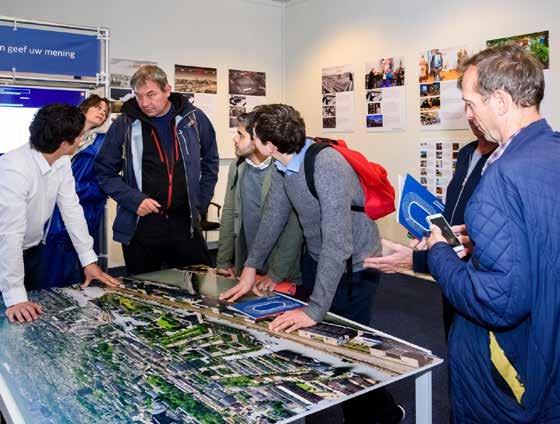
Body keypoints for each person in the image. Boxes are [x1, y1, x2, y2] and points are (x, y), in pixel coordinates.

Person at [220, 104, 404, 423]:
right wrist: (251, 268)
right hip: (317, 258)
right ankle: (377, 412)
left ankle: (381, 415)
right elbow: (274, 217)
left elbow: (339, 243)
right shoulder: (283, 164)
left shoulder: (326, 164)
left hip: (355, 266)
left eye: (251, 135)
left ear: (268, 144)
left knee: (346, 350)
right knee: (325, 349)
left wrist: (314, 310)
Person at [426, 44, 560, 422]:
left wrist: (438, 253)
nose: (468, 114)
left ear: (500, 100)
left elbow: (497, 301)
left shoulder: (500, 179)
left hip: (506, 373)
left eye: (470, 103)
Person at [364, 119, 497, 339]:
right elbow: (454, 206)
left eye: (474, 105)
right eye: (466, 106)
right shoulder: (466, 153)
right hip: (450, 264)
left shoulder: (502, 161)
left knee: (473, 342)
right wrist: (430, 237)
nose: (470, 116)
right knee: (452, 334)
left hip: (476, 271)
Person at [0, 104, 119, 324]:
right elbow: (10, 235)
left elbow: (71, 209)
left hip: (31, 250)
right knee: (10, 317)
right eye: (80, 136)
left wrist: (88, 261)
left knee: (33, 316)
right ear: (65, 143)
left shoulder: (60, 160)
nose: (82, 139)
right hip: (5, 253)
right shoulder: (14, 169)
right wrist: (15, 297)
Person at [95, 65, 219, 275]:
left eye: (151, 95)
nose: (144, 103)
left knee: (195, 289)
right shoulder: (125, 123)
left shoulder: (194, 119)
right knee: (144, 293)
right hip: (141, 225)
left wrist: (200, 203)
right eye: (139, 96)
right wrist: (134, 200)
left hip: (185, 224)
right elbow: (104, 172)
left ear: (167, 90)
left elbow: (210, 161)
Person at [216, 112, 302, 288]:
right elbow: (229, 212)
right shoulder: (237, 165)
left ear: (257, 139)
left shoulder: (283, 169)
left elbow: (294, 228)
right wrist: (223, 261)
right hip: (247, 264)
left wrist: (276, 273)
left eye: (241, 134)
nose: (235, 139)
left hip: (280, 269)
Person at [41, 94, 112, 288]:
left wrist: (77, 189)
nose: (102, 112)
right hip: (50, 209)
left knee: (71, 266)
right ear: (84, 107)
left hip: (83, 208)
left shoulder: (102, 141)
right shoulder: (61, 136)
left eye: (105, 112)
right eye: (98, 107)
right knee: (47, 265)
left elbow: (106, 179)